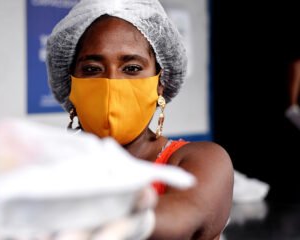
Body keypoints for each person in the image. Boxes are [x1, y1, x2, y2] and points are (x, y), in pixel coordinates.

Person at [45, 0, 234, 239]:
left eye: (132, 68)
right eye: (92, 69)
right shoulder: (52, 171)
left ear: (160, 84)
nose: (112, 83)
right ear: (70, 83)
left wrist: (114, 224)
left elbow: (187, 214)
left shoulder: (198, 161)